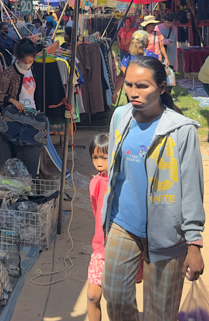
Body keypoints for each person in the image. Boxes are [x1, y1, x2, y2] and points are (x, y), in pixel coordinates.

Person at [102, 55, 204, 321]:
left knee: (160, 313)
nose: (133, 93)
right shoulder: (120, 117)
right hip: (123, 223)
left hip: (167, 234)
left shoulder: (181, 131)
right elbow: (115, 170)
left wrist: (194, 243)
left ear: (161, 87)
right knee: (114, 295)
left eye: (143, 86)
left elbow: (192, 187)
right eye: (129, 84)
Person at [88, 132, 143, 321]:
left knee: (121, 296)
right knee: (93, 294)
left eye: (104, 157)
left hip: (123, 245)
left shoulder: (124, 182)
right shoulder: (95, 183)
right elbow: (97, 212)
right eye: (95, 157)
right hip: (100, 248)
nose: (99, 162)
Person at [0, 40, 43, 176]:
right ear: (17, 58)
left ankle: (30, 182)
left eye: (31, 61)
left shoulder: (34, 70)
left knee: (30, 154)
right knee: (11, 156)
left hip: (31, 118)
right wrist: (12, 100)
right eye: (25, 62)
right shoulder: (9, 73)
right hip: (13, 120)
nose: (28, 64)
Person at [113, 31, 156, 103]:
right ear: (145, 43)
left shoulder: (127, 57)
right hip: (147, 93)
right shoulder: (151, 56)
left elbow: (122, 76)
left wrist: (115, 92)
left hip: (131, 92)